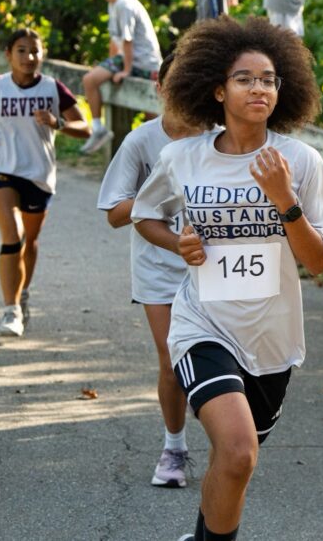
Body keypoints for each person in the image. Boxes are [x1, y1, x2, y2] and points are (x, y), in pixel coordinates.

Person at [131, 16, 323, 541]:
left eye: (269, 79)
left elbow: (317, 262)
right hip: (203, 324)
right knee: (240, 450)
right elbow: (143, 213)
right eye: (245, 78)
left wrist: (284, 199)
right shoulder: (183, 157)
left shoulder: (301, 161)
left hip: (273, 337)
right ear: (218, 89)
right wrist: (175, 241)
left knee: (234, 462)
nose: (259, 88)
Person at [96, 52, 206, 488]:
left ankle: (230, 440)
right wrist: (157, 194)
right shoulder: (141, 142)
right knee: (172, 359)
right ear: (159, 87)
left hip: (213, 267)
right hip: (158, 268)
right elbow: (114, 212)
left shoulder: (218, 138)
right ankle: (174, 449)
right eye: (171, 83)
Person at [0, 28, 89, 336]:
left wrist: (57, 122)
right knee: (13, 236)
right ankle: (11, 310)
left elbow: (84, 126)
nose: (28, 57)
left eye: (34, 51)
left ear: (42, 55)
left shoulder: (52, 89)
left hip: (38, 174)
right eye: (21, 50)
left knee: (29, 243)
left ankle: (22, 293)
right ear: (8, 54)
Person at [80, 0, 163, 155]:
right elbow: (114, 40)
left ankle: (159, 159)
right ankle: (98, 128)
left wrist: (125, 70)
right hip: (127, 59)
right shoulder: (112, 4)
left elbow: (127, 40)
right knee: (90, 79)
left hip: (143, 62)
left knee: (153, 118)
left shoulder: (124, 4)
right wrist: (109, 66)